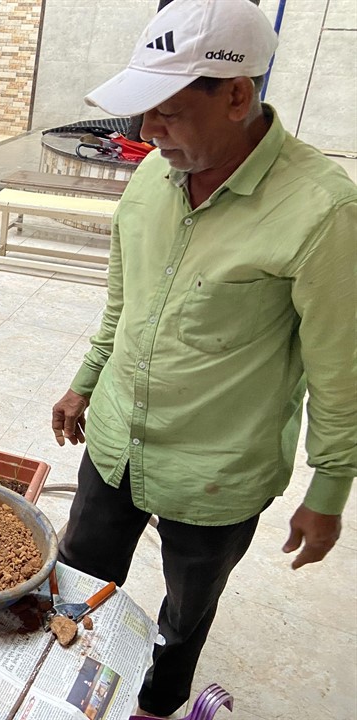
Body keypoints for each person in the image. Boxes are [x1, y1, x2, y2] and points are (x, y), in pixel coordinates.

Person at [49, 1, 356, 716]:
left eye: (168, 113)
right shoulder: (155, 178)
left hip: (215, 474)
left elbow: (340, 370)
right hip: (117, 440)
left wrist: (330, 490)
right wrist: (86, 382)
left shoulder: (322, 212)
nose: (148, 135)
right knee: (77, 584)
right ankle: (65, 695)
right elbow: (123, 307)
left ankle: (155, 707)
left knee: (183, 620)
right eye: (142, 115)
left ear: (239, 95)